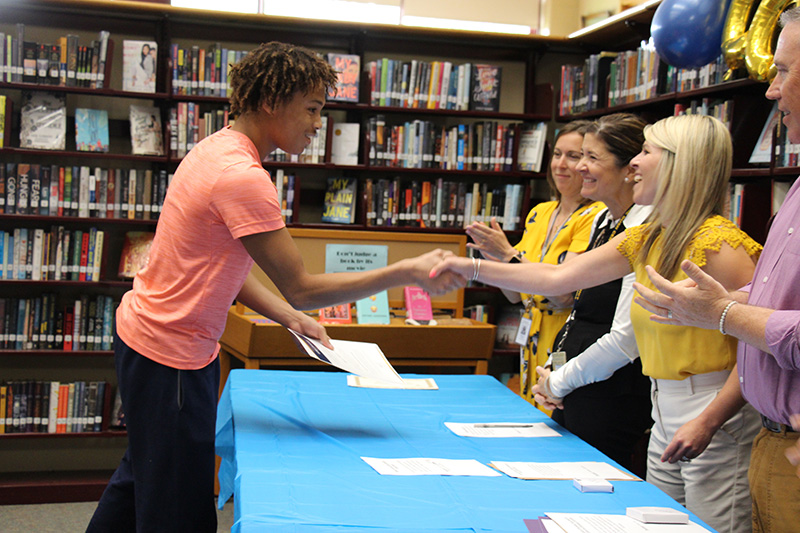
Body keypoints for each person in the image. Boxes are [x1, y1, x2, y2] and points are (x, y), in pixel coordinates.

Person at [86, 41, 464, 532]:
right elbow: (303, 287)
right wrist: (404, 271)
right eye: (311, 109)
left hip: (150, 337)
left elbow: (225, 264)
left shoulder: (216, 147)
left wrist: (289, 318)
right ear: (271, 102)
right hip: (170, 354)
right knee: (175, 504)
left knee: (145, 473)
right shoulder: (241, 176)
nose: (316, 124)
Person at [430, 114, 762, 533]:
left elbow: (758, 350)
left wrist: (710, 419)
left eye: (646, 152)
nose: (635, 164)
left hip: (714, 415)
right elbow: (556, 278)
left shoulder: (723, 245)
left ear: (681, 164)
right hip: (666, 409)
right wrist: (471, 267)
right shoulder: (648, 236)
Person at [631, 9, 800, 532]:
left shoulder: (718, 241)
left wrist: (721, 311)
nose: (770, 91)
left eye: (783, 71)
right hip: (769, 442)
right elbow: (779, 300)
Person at [533, 113, 653, 473]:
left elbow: (623, 338)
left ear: (629, 168)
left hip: (612, 394)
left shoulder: (645, 229)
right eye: (577, 155)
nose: (579, 167)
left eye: (591, 158)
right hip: (575, 387)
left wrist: (560, 380)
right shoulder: (603, 220)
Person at [465, 120, 602, 407]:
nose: (561, 164)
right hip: (531, 336)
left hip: (564, 336)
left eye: (574, 156)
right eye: (557, 154)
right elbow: (516, 295)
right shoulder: (540, 213)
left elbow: (564, 293)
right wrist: (495, 262)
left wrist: (508, 257)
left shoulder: (594, 216)